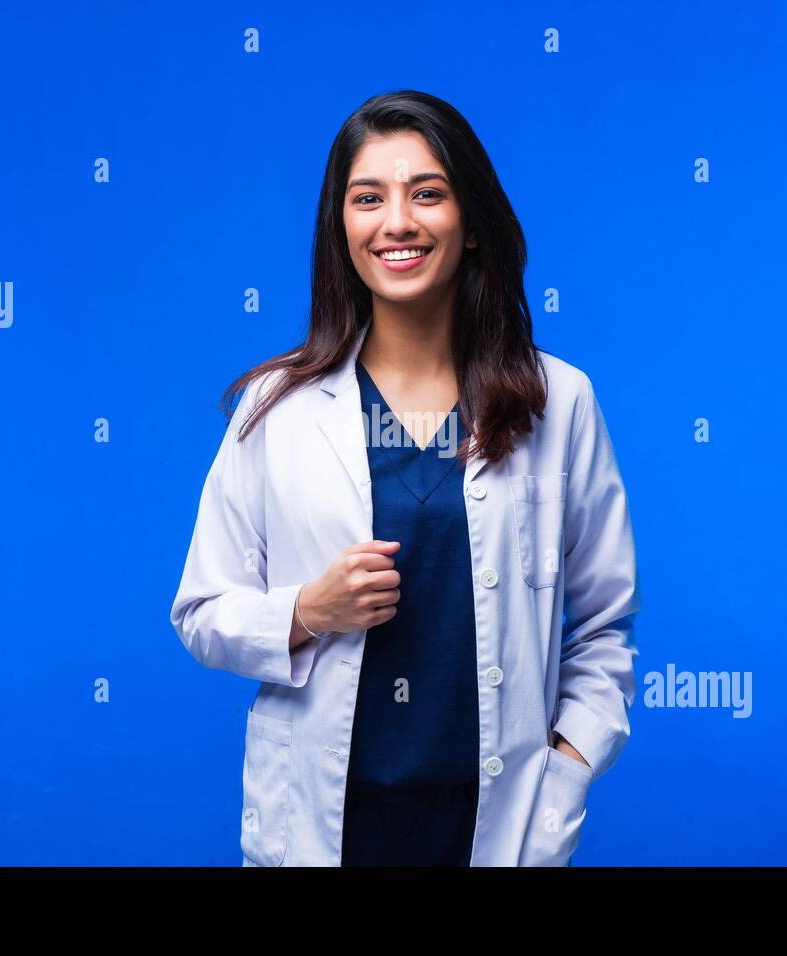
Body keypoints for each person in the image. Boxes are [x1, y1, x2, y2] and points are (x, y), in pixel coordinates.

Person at [170, 90, 641, 866]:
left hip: (499, 821)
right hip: (327, 825)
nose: (397, 222)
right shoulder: (276, 409)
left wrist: (571, 766)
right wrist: (307, 610)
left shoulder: (561, 402)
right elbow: (201, 611)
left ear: (474, 225)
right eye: (368, 198)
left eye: (427, 193)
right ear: (341, 230)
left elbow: (602, 628)